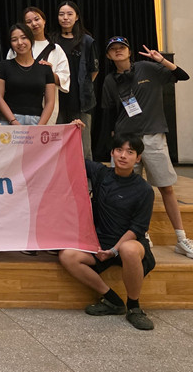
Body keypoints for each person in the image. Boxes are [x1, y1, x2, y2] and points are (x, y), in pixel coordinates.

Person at [101, 36, 193, 260]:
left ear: (129, 51)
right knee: (128, 189)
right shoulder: (110, 80)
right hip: (126, 141)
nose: (118, 51)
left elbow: (182, 76)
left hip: (153, 136)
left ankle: (181, 238)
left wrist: (162, 60)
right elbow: (108, 112)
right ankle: (141, 235)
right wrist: (113, 143)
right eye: (113, 49)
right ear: (108, 55)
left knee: (166, 187)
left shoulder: (148, 68)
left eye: (122, 47)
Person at [59, 133, 157, 331]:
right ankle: (112, 300)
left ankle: (134, 307)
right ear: (112, 153)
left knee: (128, 249)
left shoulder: (144, 190)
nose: (123, 156)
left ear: (138, 158)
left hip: (129, 243)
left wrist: (114, 250)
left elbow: (137, 228)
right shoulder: (101, 174)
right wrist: (74, 131)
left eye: (130, 152)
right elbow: (71, 157)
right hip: (100, 244)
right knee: (67, 256)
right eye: (119, 150)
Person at [51, 0, 99, 157]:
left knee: (83, 148)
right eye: (61, 14)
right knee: (56, 146)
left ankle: (86, 174)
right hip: (56, 100)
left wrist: (82, 87)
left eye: (69, 14)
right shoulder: (51, 40)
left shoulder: (87, 41)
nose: (65, 18)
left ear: (77, 17)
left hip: (80, 101)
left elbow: (94, 71)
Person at [7, 7, 71, 121]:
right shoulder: (18, 46)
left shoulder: (55, 49)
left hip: (46, 106)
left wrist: (49, 72)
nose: (34, 24)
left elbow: (64, 79)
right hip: (18, 107)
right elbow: (8, 75)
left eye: (37, 19)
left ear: (44, 20)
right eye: (28, 22)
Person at [0, 23, 56, 125]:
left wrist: (40, 126)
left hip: (37, 121)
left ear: (31, 39)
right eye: (14, 40)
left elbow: (50, 102)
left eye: (24, 38)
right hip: (9, 121)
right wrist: (13, 121)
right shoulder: (4, 66)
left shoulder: (45, 68)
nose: (20, 43)